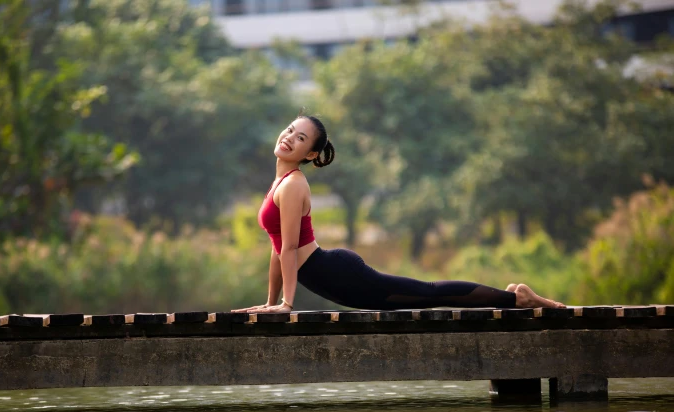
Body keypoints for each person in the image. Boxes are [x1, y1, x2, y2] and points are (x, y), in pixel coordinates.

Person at [232, 115, 566, 314]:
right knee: (427, 295)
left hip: (336, 273)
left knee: (429, 293)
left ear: (312, 153)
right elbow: (277, 248)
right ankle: (514, 297)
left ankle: (517, 298)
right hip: (328, 276)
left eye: (301, 138)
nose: (289, 138)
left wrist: (286, 306)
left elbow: (289, 249)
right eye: (290, 130)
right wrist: (270, 302)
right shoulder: (280, 182)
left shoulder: (292, 185)